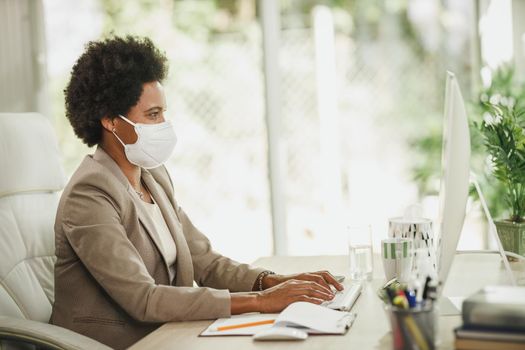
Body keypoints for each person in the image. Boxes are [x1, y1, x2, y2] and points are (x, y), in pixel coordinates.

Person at [50, 35, 343, 349]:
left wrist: (274, 281)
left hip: (167, 332)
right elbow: (143, 298)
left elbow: (205, 262)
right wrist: (261, 300)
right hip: (115, 342)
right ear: (110, 121)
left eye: (163, 112)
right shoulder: (89, 194)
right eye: (153, 115)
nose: (164, 123)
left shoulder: (153, 177)